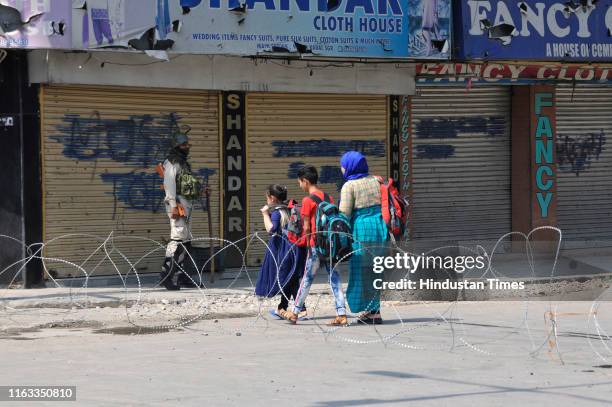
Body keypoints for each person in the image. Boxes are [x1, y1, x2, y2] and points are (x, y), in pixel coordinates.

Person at [282, 165, 348, 326]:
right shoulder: (329, 197)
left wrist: (302, 243)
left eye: (299, 182)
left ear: (305, 181)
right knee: (335, 278)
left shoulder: (307, 200)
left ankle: (295, 312)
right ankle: (341, 313)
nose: (299, 185)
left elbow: (306, 227)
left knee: (307, 278)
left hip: (316, 245)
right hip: (331, 244)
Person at [338, 151, 388, 324]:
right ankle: (374, 310)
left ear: (350, 166)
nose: (342, 169)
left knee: (360, 269)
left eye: (343, 165)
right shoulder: (376, 180)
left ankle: (370, 311)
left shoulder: (349, 186)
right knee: (375, 269)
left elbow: (344, 213)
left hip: (361, 228)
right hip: (380, 227)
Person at [254, 185, 307, 319]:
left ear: (272, 198)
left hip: (283, 250)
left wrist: (265, 214)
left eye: (267, 197)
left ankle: (302, 309)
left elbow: (272, 229)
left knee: (289, 279)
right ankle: (282, 307)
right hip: (294, 248)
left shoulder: (278, 213)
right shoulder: (289, 209)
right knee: (289, 278)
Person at [159, 133, 200, 290]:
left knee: (186, 239)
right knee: (177, 239)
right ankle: (166, 276)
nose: (187, 147)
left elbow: (186, 184)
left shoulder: (182, 162)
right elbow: (170, 185)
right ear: (177, 146)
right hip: (177, 205)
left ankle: (184, 277)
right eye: (184, 145)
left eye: (187, 145)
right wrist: (173, 205)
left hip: (186, 204)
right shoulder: (172, 162)